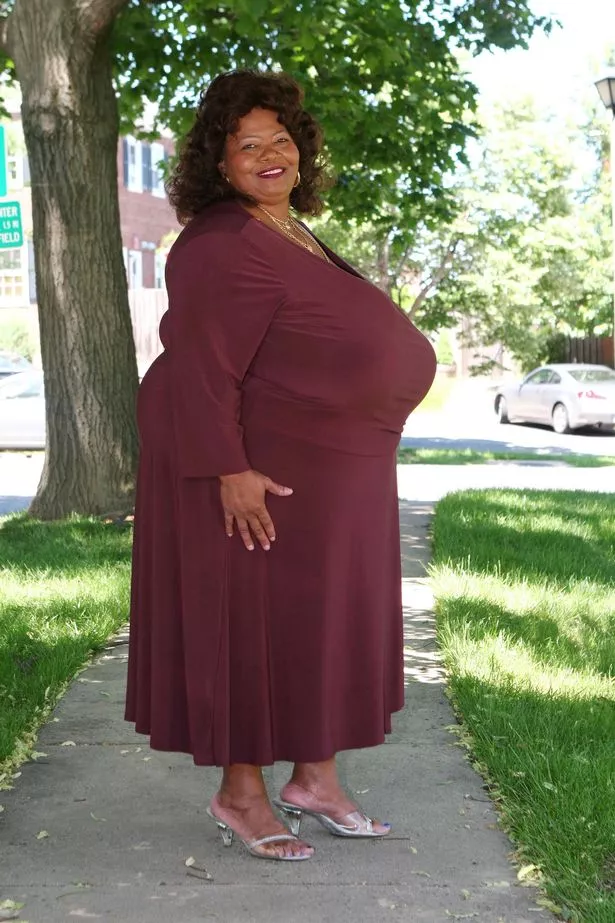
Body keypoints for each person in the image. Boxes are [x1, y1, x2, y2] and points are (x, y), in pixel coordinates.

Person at [125, 69, 437, 862]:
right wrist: (226, 466)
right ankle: (240, 792)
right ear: (218, 165)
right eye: (247, 144)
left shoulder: (289, 228)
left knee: (321, 622)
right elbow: (199, 362)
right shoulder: (218, 240)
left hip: (333, 469)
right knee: (252, 622)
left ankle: (316, 780)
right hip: (260, 468)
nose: (270, 154)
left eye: (281, 139)